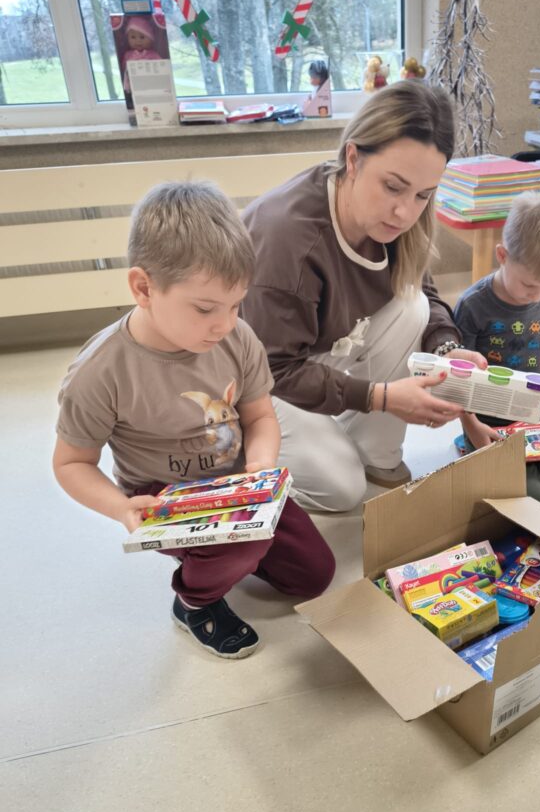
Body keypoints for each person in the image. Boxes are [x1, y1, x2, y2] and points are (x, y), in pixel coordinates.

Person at [53, 182, 335, 660]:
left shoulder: (237, 338)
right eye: (205, 308)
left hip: (239, 489)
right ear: (144, 288)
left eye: (236, 304)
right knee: (238, 551)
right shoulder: (101, 370)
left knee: (314, 575)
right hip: (168, 497)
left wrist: (261, 467)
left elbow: (260, 414)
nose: (224, 324)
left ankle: (231, 557)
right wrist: (121, 509)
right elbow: (71, 464)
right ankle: (194, 601)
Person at [241, 81, 483, 513]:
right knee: (341, 490)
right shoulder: (287, 239)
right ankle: (238, 456)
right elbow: (274, 368)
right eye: (393, 187)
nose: (406, 212)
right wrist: (382, 397)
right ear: (353, 158)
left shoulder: (392, 219)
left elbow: (421, 289)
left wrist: (448, 349)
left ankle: (371, 454)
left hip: (312, 354)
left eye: (423, 195)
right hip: (252, 380)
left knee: (412, 306)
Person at [454, 191, 540, 510]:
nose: (538, 296)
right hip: (490, 420)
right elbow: (458, 380)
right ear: (502, 255)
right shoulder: (473, 305)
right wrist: (471, 424)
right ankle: (466, 448)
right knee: (533, 499)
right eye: (530, 286)